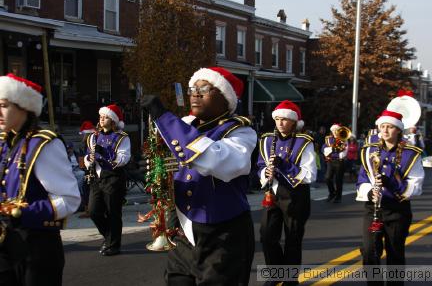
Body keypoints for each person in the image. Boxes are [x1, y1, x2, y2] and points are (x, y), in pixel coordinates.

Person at [142, 67, 256, 285]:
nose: (196, 93)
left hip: (224, 236)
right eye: (193, 88)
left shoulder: (241, 132)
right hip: (185, 231)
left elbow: (214, 159)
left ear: (226, 98)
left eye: (205, 89)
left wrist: (164, 119)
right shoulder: (185, 125)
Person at [0, 73, 81, 285]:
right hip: (6, 246)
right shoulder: (5, 143)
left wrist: (23, 212)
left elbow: (70, 200)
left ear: (24, 106)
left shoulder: (44, 145)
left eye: (4, 105)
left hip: (37, 249)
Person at [356, 110, 424, 285]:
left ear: (398, 130)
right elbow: (362, 178)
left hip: (397, 211)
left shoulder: (411, 154)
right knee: (369, 250)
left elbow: (415, 187)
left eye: (390, 127)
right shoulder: (369, 150)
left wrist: (391, 183)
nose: (385, 131)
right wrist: (370, 192)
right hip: (373, 208)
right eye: (382, 126)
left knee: (394, 253)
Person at [257, 100, 316, 281]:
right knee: (267, 235)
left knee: (293, 240)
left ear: (293, 122)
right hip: (273, 193)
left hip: (296, 196)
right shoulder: (267, 140)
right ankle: (276, 274)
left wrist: (284, 165)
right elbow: (259, 164)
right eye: (278, 119)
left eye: (285, 119)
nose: (280, 123)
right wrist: (265, 173)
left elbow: (310, 175)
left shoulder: (304, 142)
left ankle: (290, 279)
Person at [84, 104, 131, 256]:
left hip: (113, 178)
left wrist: (104, 155)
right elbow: (87, 156)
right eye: (101, 116)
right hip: (96, 177)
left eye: (105, 117)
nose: (102, 119)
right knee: (93, 211)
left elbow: (124, 158)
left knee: (113, 212)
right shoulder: (93, 137)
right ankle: (109, 237)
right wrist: (89, 158)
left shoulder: (121, 137)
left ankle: (114, 245)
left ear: (112, 120)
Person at [322, 123, 348, 203]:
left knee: (338, 180)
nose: (334, 132)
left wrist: (339, 154)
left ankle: (338, 197)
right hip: (330, 161)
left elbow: (345, 150)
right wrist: (328, 150)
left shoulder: (343, 138)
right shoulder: (328, 139)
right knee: (327, 178)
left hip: (339, 162)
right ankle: (332, 193)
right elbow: (323, 148)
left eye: (336, 130)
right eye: (333, 130)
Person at [77, 121, 96, 218]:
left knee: (88, 188)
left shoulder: (91, 141)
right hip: (87, 167)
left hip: (92, 168)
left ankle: (90, 209)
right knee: (86, 188)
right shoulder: (86, 143)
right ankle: (88, 209)